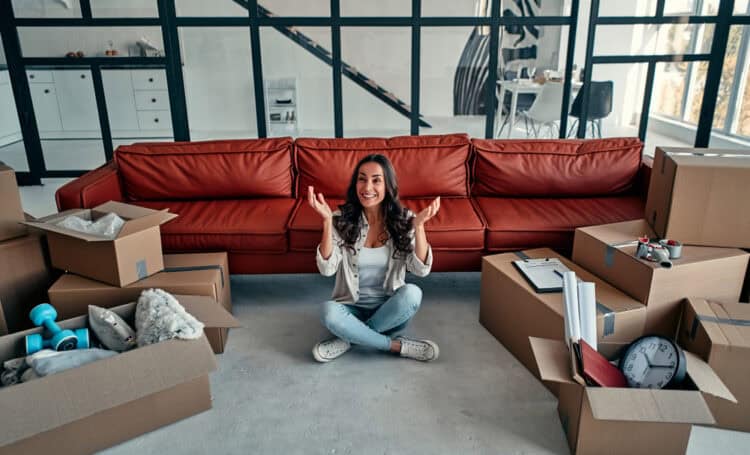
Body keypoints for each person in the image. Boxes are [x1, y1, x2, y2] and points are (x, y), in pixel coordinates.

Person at [308, 154, 441, 363]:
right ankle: (395, 346)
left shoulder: (405, 219)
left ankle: (349, 338)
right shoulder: (340, 219)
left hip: (389, 312)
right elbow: (327, 269)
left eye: (376, 180)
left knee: (412, 293)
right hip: (350, 309)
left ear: (388, 185)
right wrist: (326, 222)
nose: (367, 187)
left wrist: (419, 227)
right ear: (355, 184)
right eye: (362, 179)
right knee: (328, 311)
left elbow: (421, 270)